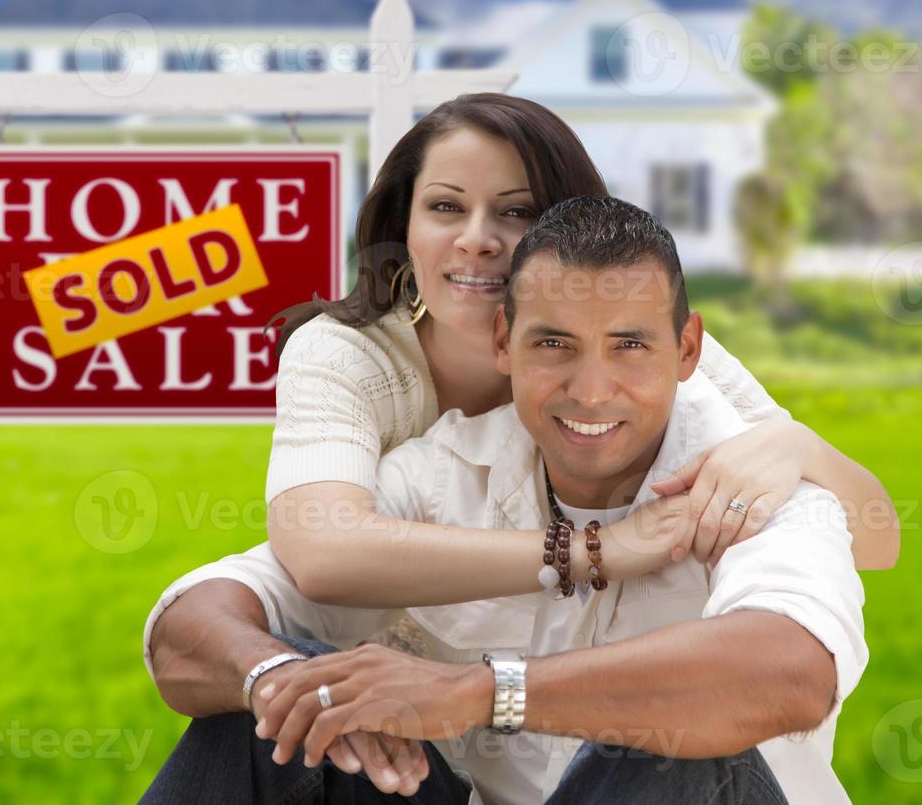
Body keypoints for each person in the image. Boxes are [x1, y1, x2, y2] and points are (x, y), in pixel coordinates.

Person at [143, 198, 869, 804]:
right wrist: (279, 682)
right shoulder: (443, 473)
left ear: (686, 349)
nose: (590, 390)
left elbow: (790, 671)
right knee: (275, 714)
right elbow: (194, 623)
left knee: (679, 746)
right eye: (553, 343)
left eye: (630, 347)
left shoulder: (755, 478)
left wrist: (482, 692)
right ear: (504, 340)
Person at [261, 93, 896, 624]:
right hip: (402, 693)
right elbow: (321, 550)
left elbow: (874, 540)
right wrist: (600, 550)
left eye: (516, 212)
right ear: (406, 225)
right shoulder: (348, 356)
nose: (476, 239)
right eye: (446, 206)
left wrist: (796, 447)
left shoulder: (645, 346)